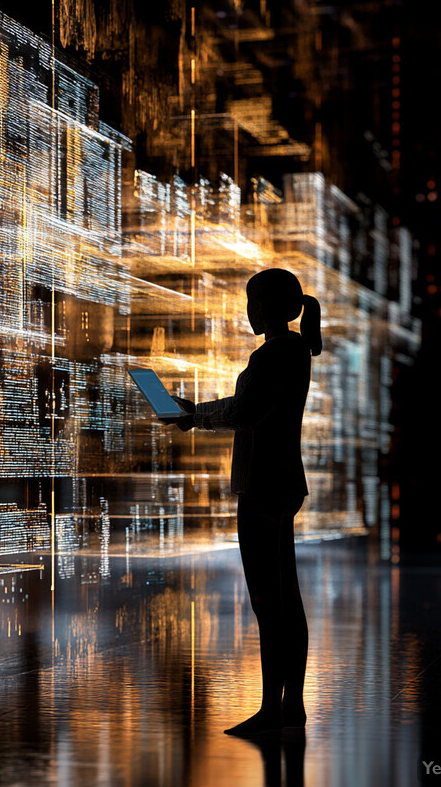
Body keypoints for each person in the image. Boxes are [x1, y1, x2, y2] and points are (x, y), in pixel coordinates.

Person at [167, 268, 322, 737]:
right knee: (284, 600)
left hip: (261, 486)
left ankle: (274, 712)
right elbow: (241, 404)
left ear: (269, 307)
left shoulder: (276, 354)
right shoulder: (292, 351)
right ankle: (285, 707)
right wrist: (195, 413)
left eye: (252, 302)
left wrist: (193, 416)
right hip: (280, 483)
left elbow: (244, 411)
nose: (247, 311)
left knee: (268, 602)